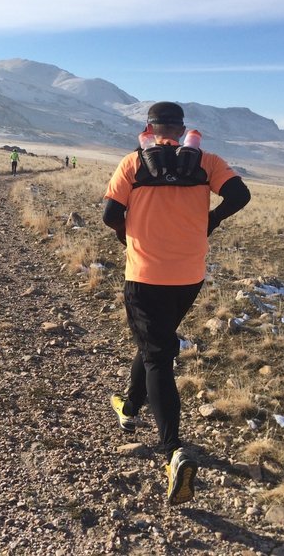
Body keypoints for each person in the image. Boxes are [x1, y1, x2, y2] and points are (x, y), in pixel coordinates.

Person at [102, 101, 250, 506]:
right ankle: (129, 407)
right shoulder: (208, 161)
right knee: (155, 341)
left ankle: (173, 452)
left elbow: (109, 213)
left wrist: (126, 233)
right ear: (182, 128)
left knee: (157, 354)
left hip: (144, 275)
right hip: (188, 277)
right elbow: (240, 194)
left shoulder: (133, 162)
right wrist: (211, 220)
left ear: (149, 127)